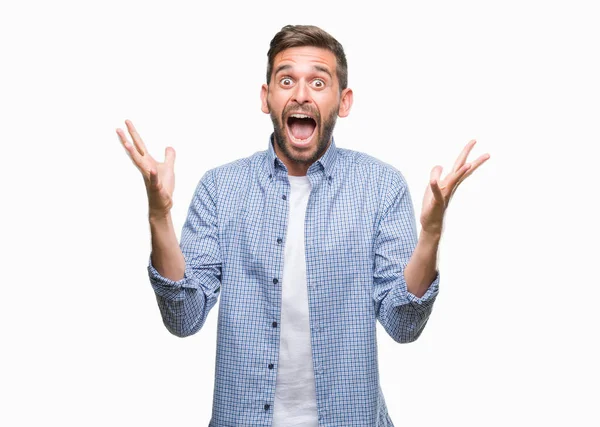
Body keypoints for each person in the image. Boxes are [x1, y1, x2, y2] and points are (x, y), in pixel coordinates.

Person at [117, 24, 489, 427]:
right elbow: (183, 317)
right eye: (287, 79)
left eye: (318, 81)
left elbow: (404, 323)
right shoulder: (220, 188)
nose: (300, 94)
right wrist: (159, 217)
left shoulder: (380, 186)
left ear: (343, 101)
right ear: (267, 97)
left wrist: (431, 234)